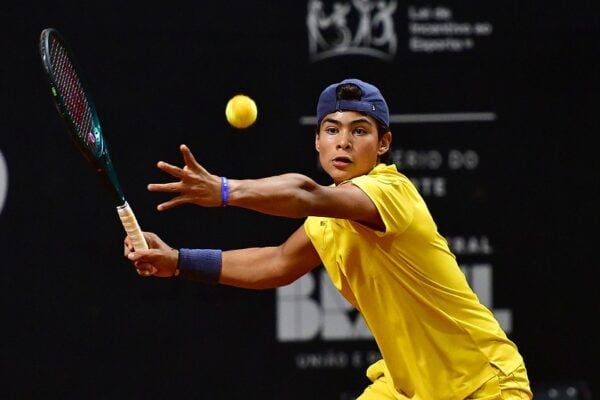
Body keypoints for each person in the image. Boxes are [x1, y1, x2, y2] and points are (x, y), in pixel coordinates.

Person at [124, 78, 532, 399]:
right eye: (332, 129)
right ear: (317, 141)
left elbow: (306, 194)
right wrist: (177, 260)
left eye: (360, 130)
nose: (344, 141)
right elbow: (277, 263)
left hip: (483, 385)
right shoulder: (326, 218)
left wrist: (227, 191)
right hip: (409, 389)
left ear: (383, 144)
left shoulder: (390, 192)